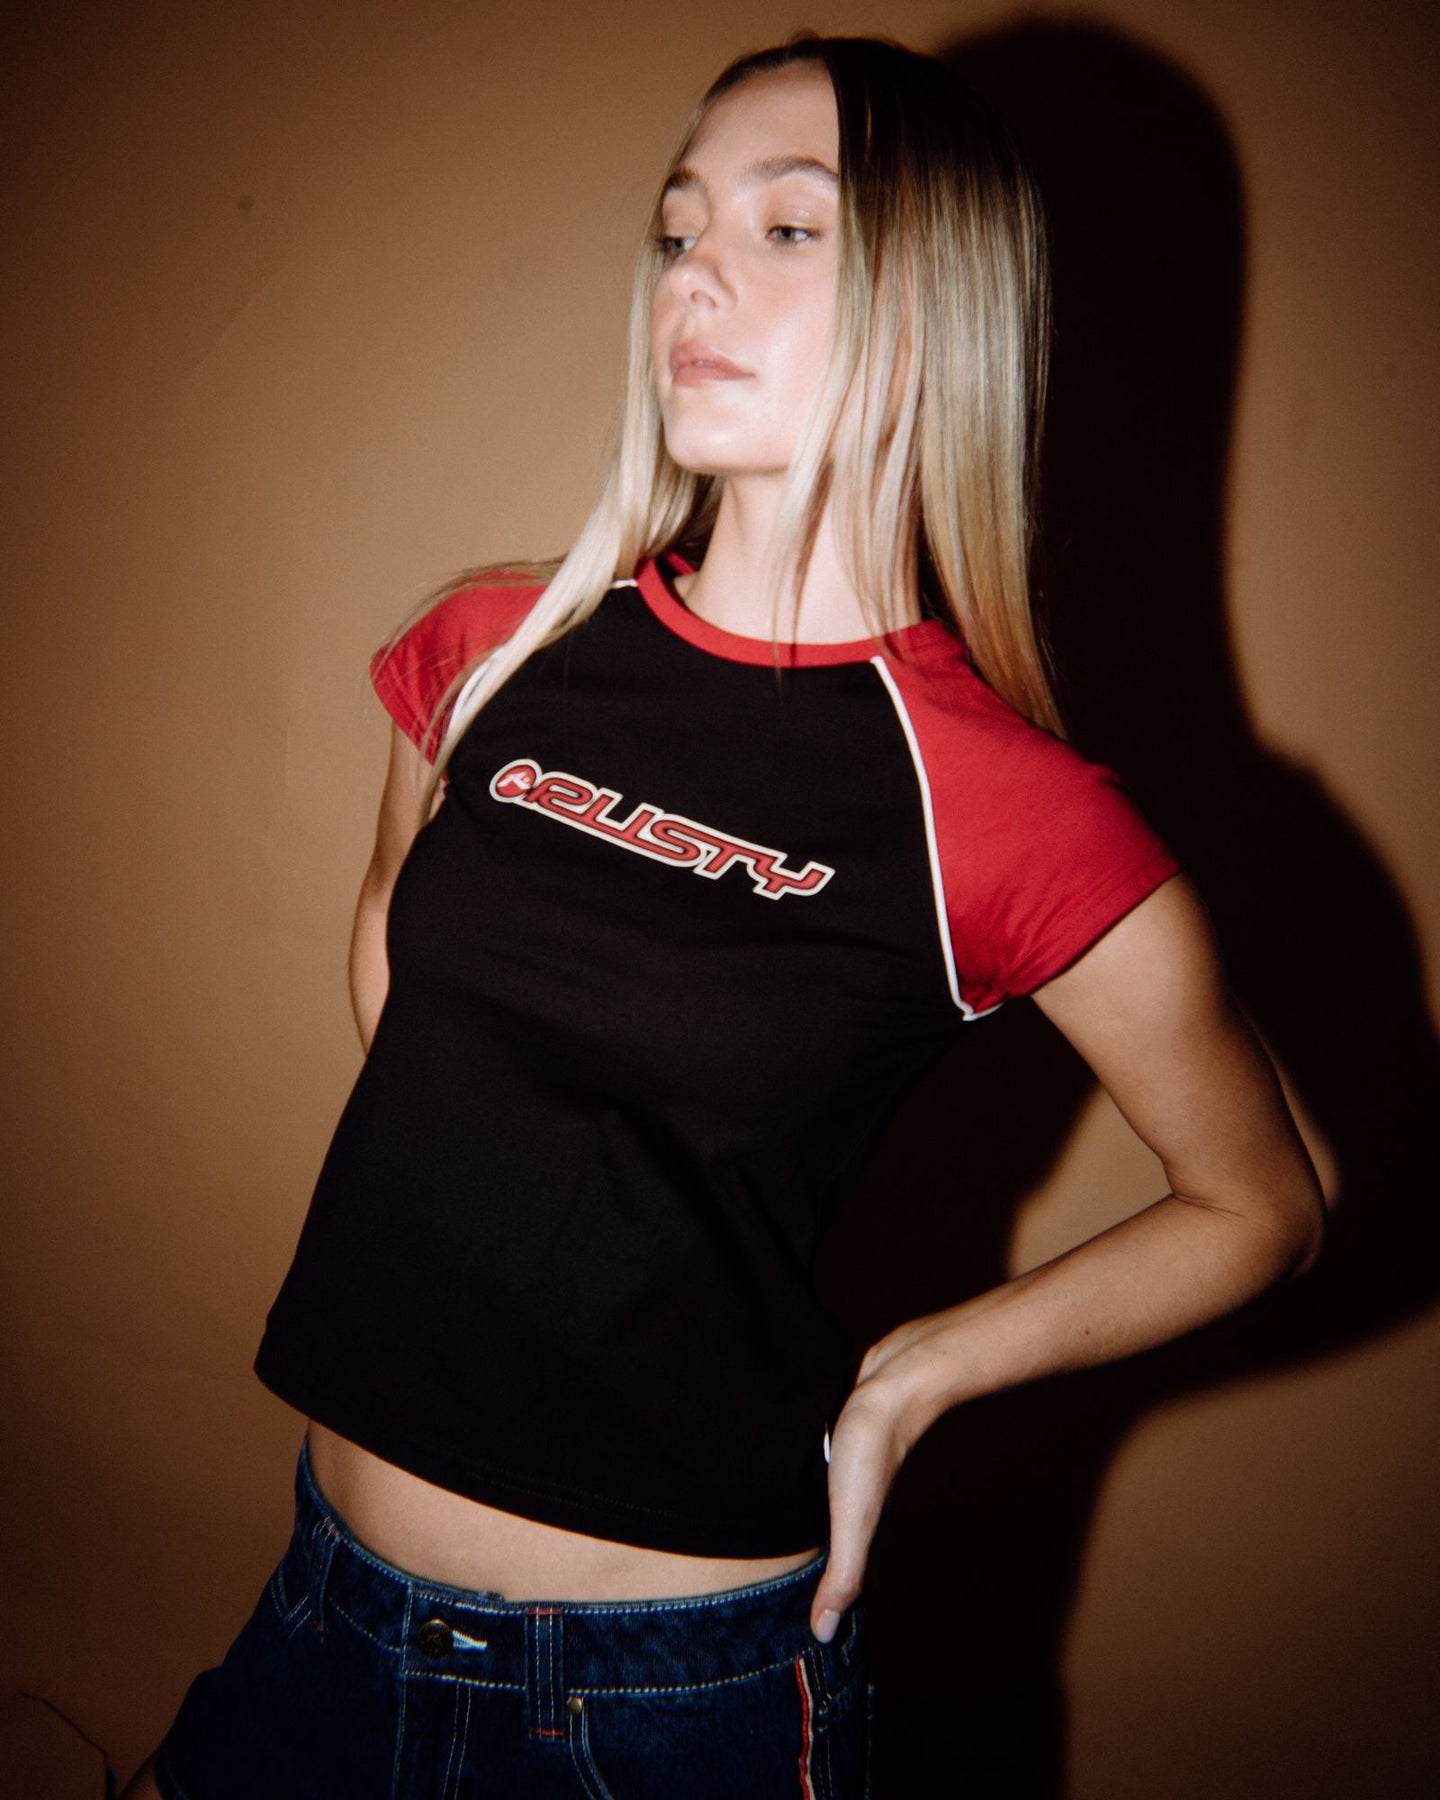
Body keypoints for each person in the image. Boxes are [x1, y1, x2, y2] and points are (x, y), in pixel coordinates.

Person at [124, 32, 1324, 1800]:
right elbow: (397, 946)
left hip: (665, 1703)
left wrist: (915, 1377)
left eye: (787, 228)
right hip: (328, 1609)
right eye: (679, 229)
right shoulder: (496, 646)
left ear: (938, 301)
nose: (694, 272)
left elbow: (1263, 1200)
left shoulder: (1005, 809)